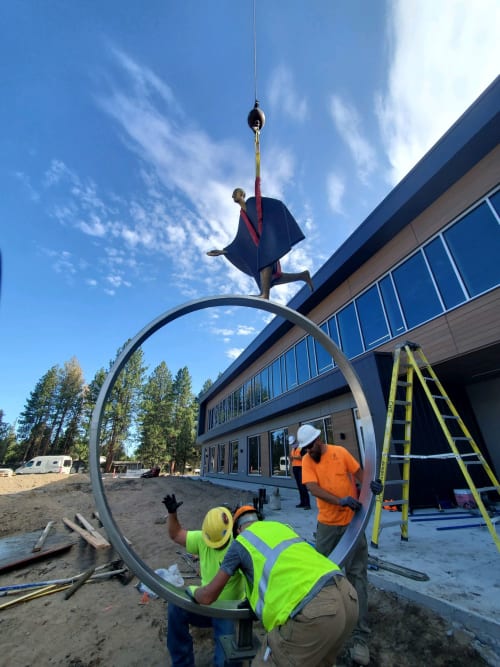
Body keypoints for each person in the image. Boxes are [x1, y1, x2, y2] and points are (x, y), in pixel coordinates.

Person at [188, 505, 358, 667]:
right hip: (347, 595)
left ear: (238, 530)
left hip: (315, 611)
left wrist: (194, 591)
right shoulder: (282, 528)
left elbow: (209, 596)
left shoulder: (240, 543)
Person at [297, 424, 383, 667]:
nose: (307, 451)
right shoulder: (307, 461)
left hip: (351, 525)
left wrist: (372, 485)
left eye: (310, 446)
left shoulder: (340, 453)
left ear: (319, 440)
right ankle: (318, 626)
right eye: (304, 448)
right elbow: (312, 488)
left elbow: (362, 476)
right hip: (327, 526)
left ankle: (360, 639)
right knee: (320, 576)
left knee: (357, 576)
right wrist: (340, 500)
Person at [163, 494, 245, 667]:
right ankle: (182, 662)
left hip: (228, 610)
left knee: (226, 661)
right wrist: (172, 513)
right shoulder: (203, 539)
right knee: (175, 606)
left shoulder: (240, 545)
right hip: (206, 606)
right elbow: (176, 534)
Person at [207, 180, 313, 299]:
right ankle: (303, 276)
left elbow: (268, 205)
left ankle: (265, 295)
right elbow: (241, 240)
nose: (233, 196)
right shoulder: (242, 216)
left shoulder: (252, 202)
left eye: (235, 193)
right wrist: (222, 251)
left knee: (264, 260)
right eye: (232, 195)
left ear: (242, 194)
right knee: (274, 278)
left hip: (269, 240)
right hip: (262, 246)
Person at [289, 434, 310, 509]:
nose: (292, 444)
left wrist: (294, 457)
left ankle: (307, 504)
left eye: (293, 443)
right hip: (295, 468)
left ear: (295, 441)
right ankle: (302, 502)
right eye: (291, 443)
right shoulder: (293, 449)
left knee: (302, 486)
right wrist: (291, 459)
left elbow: (304, 458)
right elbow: (292, 459)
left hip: (301, 468)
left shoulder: (301, 448)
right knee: (299, 486)